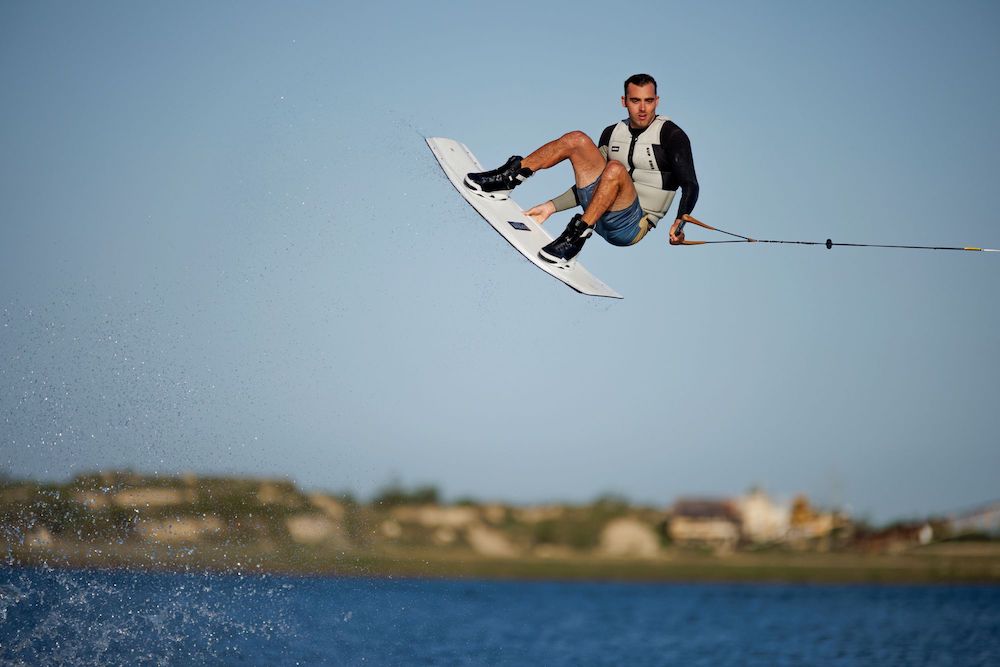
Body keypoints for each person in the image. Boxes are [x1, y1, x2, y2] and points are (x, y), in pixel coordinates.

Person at [464, 73, 699, 266]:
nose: (643, 108)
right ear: (624, 101)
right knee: (576, 139)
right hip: (598, 211)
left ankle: (574, 239)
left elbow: (690, 185)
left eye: (648, 101)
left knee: (615, 169)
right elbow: (597, 184)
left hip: (630, 226)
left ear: (657, 101)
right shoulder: (612, 133)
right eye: (635, 100)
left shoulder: (671, 135)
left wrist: (680, 222)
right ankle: (508, 178)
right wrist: (551, 207)